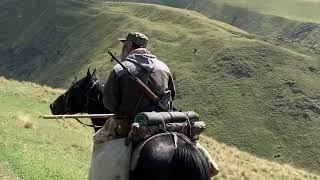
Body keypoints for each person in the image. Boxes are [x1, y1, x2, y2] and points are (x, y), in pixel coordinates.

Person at [88, 32, 176, 180]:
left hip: (127, 126)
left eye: (124, 45)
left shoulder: (120, 69)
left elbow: (109, 103)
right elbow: (171, 96)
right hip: (161, 124)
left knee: (98, 140)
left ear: (129, 45)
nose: (123, 48)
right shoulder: (164, 68)